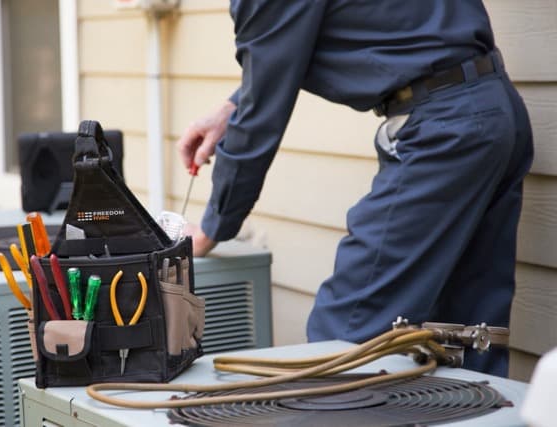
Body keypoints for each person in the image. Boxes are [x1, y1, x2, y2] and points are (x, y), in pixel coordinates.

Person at [176, 1, 533, 377]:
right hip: (493, 108)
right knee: (467, 337)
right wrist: (234, 106)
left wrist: (212, 228)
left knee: (344, 338)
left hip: (448, 131)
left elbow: (262, 111)